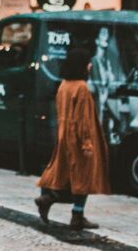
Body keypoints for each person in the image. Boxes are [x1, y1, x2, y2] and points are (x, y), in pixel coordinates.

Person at [35, 48, 110, 230]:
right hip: (78, 139)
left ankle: (49, 198)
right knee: (83, 176)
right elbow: (83, 118)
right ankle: (77, 215)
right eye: (87, 62)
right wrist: (87, 142)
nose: (90, 65)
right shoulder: (81, 88)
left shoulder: (64, 86)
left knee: (67, 174)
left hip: (64, 136)